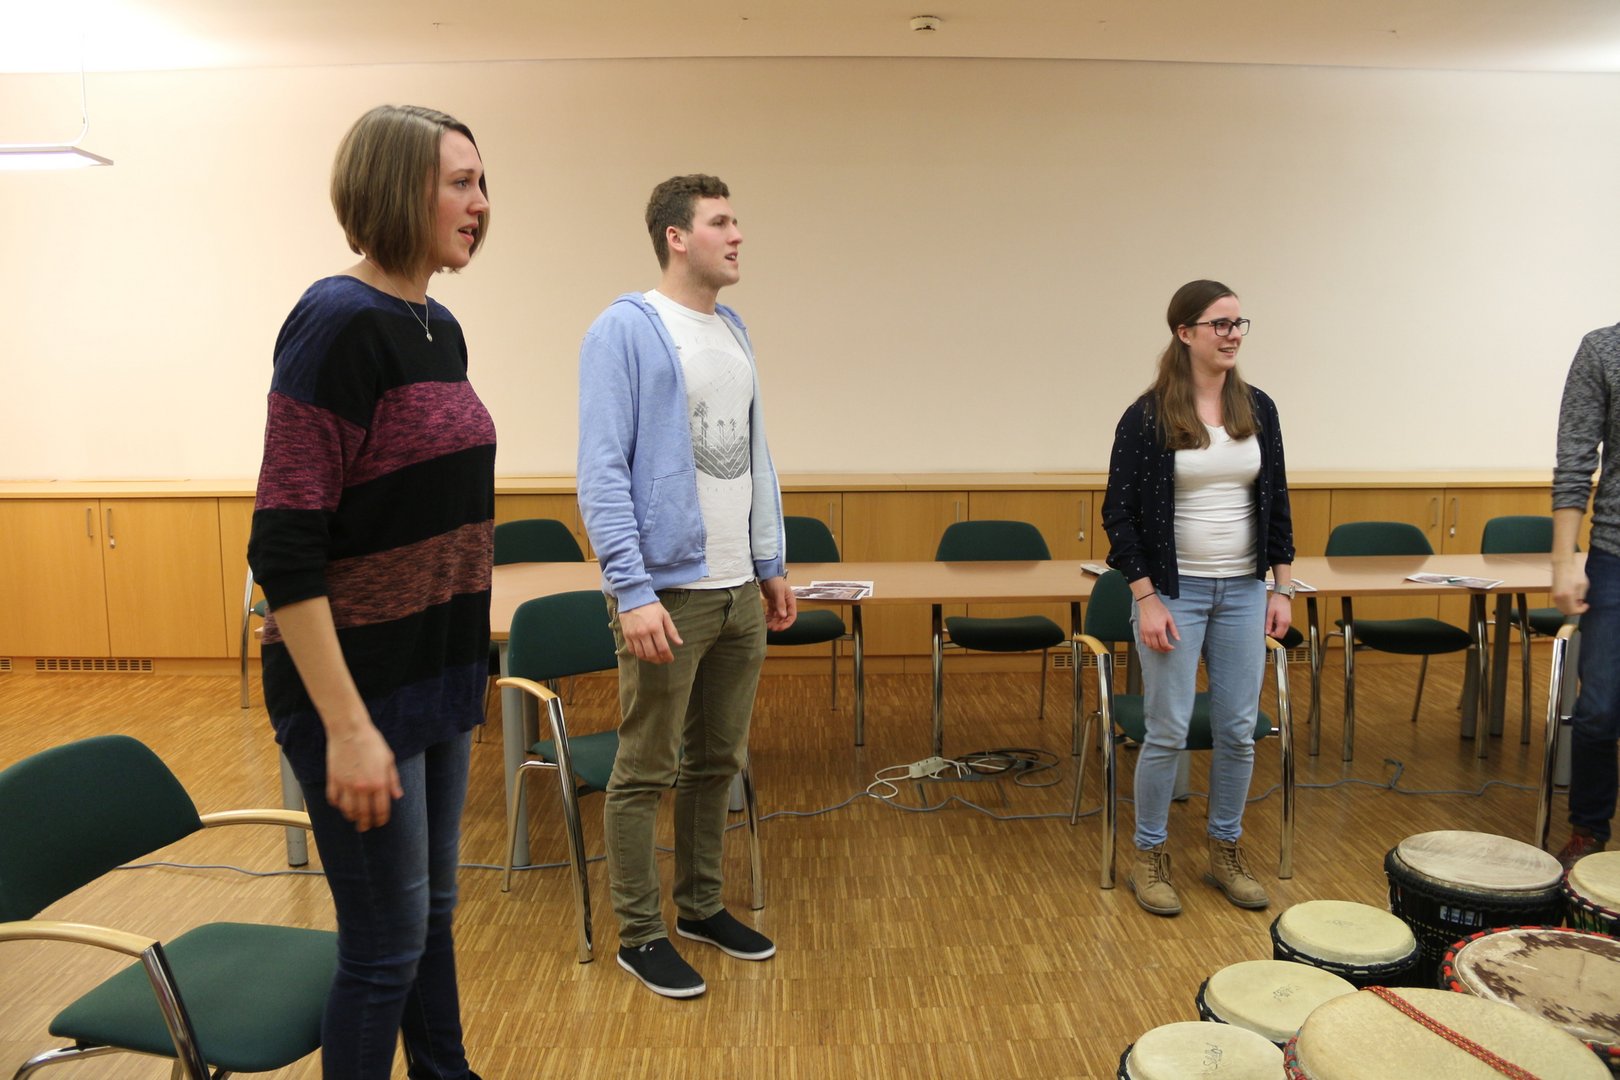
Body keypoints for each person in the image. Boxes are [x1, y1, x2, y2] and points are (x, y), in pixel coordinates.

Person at [247, 104, 492, 1079]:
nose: (480, 202)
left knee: (430, 918)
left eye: (482, 182)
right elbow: (284, 545)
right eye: (460, 182)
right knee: (384, 946)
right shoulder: (337, 323)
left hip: (435, 673)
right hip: (357, 691)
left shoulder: (438, 325)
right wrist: (347, 728)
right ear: (396, 189)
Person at [577, 174, 795, 998]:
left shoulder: (732, 329)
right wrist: (631, 591)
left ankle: (702, 907)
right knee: (645, 769)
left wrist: (769, 563)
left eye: (737, 222)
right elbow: (602, 469)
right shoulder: (625, 329)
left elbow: (755, 453)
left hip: (738, 588)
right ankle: (640, 934)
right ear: (676, 236)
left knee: (717, 762)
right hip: (667, 594)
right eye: (720, 222)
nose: (737, 236)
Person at [1101, 279, 1295, 917]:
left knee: (1239, 730)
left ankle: (1225, 849)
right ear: (1185, 333)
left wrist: (1281, 586)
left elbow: (1277, 502)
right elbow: (1119, 515)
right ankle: (1150, 854)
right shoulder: (1148, 415)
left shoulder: (1258, 408)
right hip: (1173, 593)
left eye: (1239, 323)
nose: (1233, 334)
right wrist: (1146, 598)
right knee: (1167, 731)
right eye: (1220, 324)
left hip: (1243, 590)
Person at [1552, 323, 1620, 869]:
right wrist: (1564, 560)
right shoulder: (1603, 349)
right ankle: (1589, 828)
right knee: (1598, 709)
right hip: (1614, 555)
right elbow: (1575, 460)